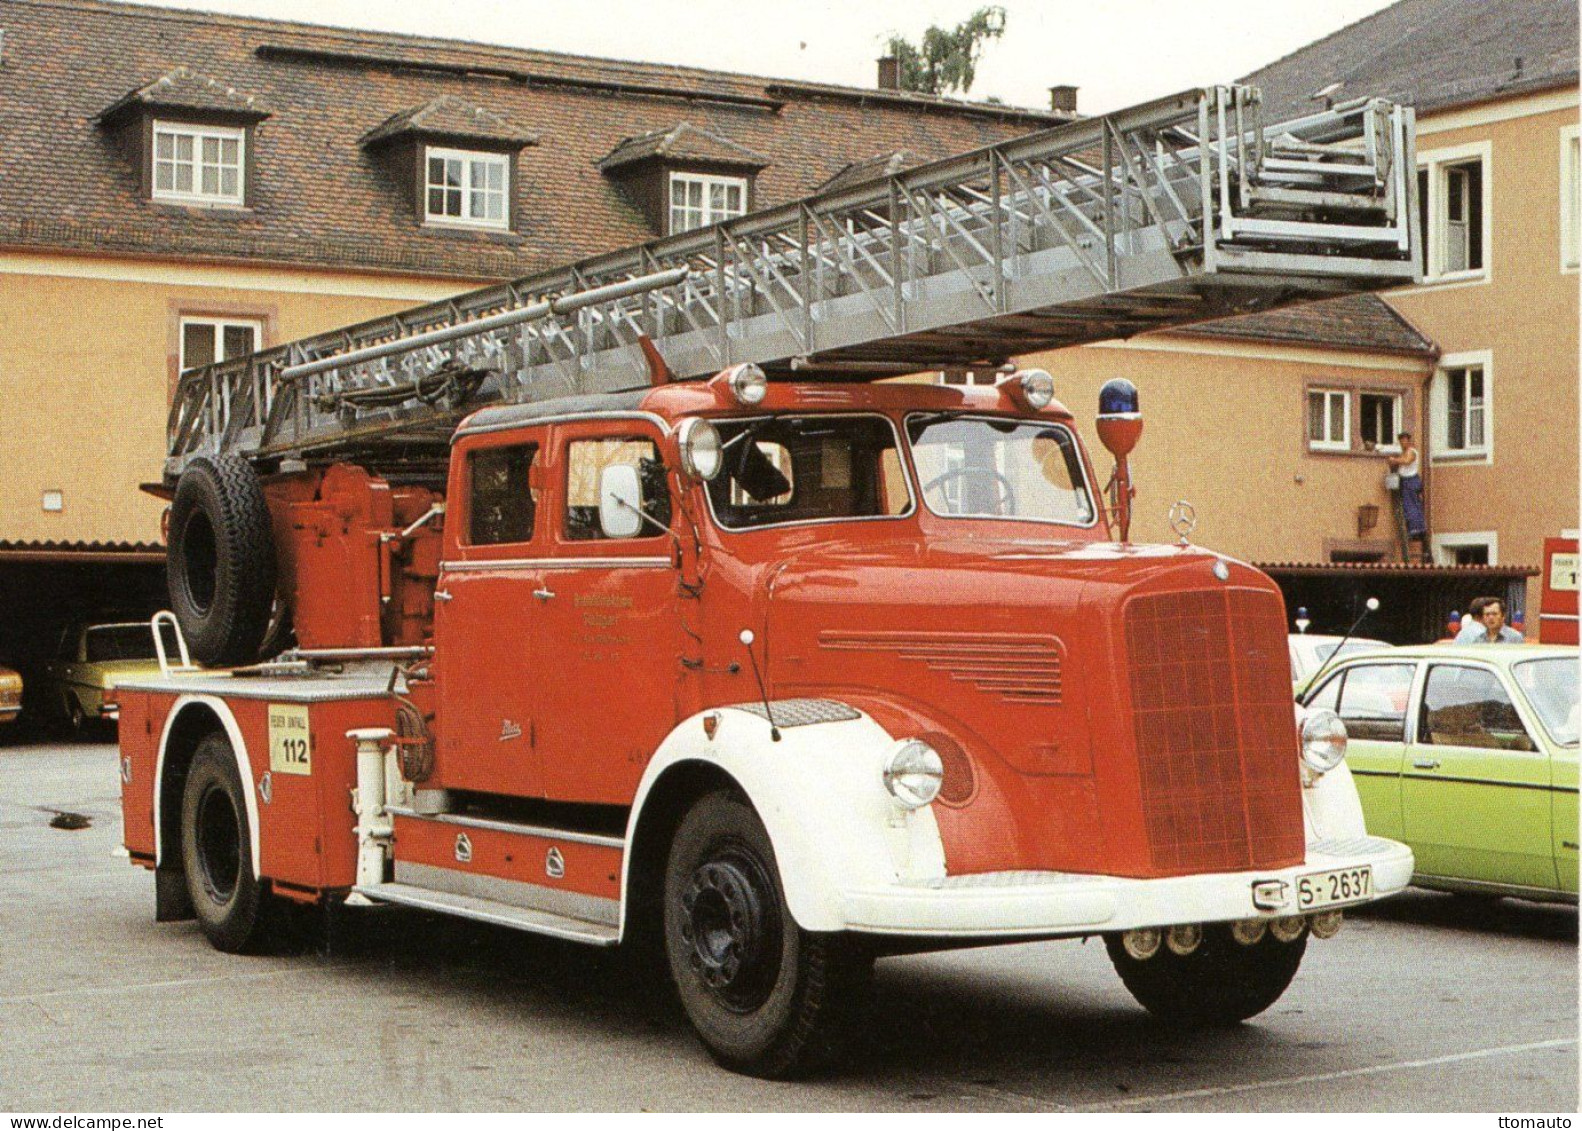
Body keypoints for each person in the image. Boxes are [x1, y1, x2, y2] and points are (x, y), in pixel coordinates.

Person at [1386, 431, 1428, 563]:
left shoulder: (1411, 452)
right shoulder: (1403, 452)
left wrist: (1394, 460)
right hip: (1405, 481)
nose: (1402, 443)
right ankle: (1413, 528)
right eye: (1400, 440)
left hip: (1411, 481)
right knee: (1407, 506)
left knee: (1412, 507)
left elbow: (1407, 461)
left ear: (1408, 440)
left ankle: (1416, 529)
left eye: (1404, 440)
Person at [1455, 596, 1524, 643]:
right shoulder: (1478, 638)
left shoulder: (1515, 638)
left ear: (1503, 616)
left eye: (1494, 614)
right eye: (1487, 614)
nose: (1490, 617)